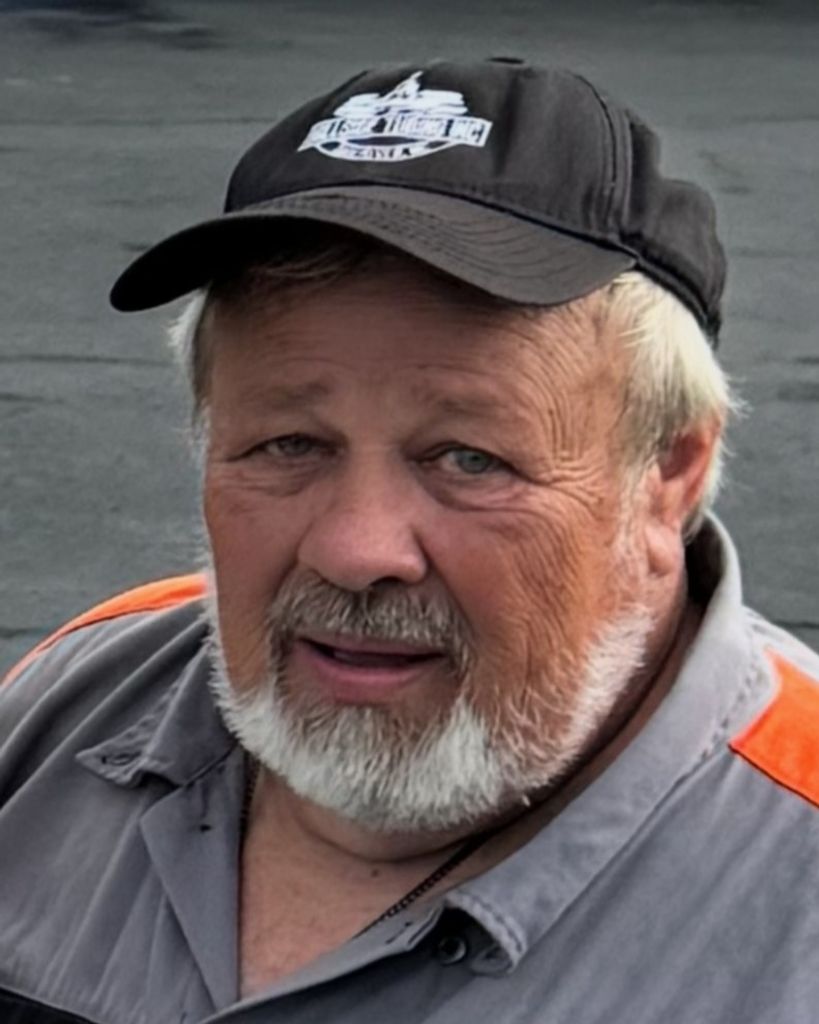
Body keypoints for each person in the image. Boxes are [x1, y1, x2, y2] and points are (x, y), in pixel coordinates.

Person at [1, 58, 817, 1024]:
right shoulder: (77, 696)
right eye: (288, 443)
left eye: (468, 459)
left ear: (666, 474)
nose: (355, 551)